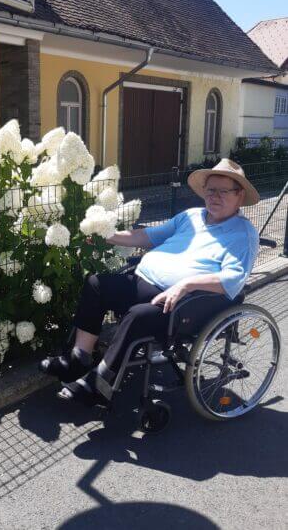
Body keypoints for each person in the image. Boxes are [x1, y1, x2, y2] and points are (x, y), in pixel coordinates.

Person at [39, 159, 261, 406]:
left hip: (185, 303)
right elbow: (147, 236)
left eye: (223, 191)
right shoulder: (190, 217)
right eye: (211, 190)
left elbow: (233, 278)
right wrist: (107, 235)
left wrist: (185, 285)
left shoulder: (243, 234)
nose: (214, 197)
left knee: (138, 315)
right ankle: (79, 359)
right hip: (143, 283)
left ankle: (100, 383)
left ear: (239, 195)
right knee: (96, 284)